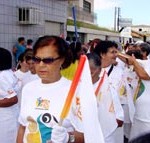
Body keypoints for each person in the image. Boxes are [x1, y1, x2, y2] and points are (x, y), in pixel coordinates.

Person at [17, 36, 85, 143]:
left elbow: (85, 135)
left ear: (62, 60)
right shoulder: (28, 89)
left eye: (48, 60)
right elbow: (23, 127)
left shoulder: (75, 91)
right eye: (37, 59)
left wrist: (68, 138)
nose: (41, 65)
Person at [94, 40, 124, 143]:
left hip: (115, 119)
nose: (116, 55)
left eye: (116, 52)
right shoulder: (91, 72)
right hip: (95, 118)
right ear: (102, 54)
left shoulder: (120, 72)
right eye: (113, 52)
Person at [0, 47, 21, 143]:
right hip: (9, 116)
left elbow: (12, 99)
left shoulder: (2, 76)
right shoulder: (8, 73)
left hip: (6, 119)